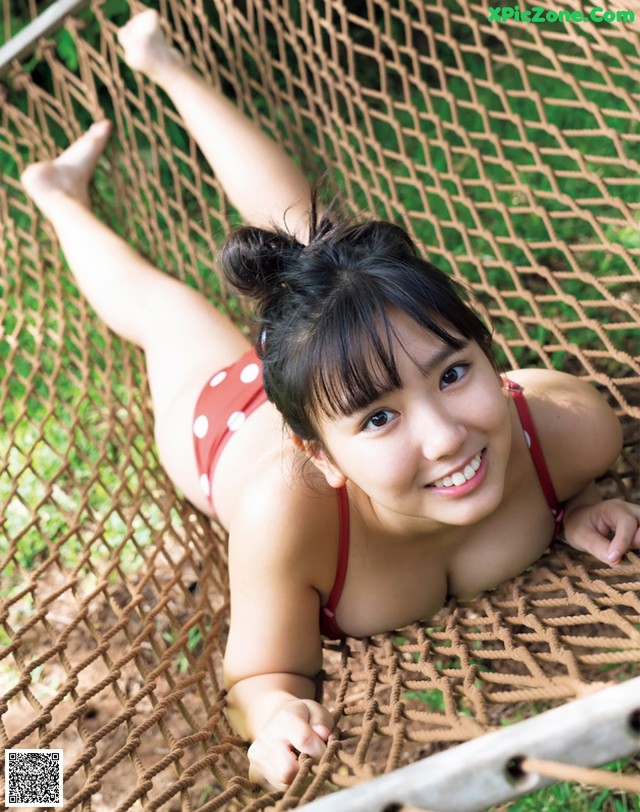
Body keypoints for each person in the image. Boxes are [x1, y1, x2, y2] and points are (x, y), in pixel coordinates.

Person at [20, 8, 640, 792]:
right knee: (165, 311)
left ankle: (164, 62)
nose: (447, 438)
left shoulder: (566, 435)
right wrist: (275, 710)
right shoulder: (289, 517)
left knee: (319, 245)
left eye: (454, 374)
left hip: (349, 355)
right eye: (381, 418)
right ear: (318, 452)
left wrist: (577, 500)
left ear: (488, 356)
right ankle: (54, 194)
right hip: (230, 430)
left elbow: (539, 420)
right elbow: (261, 671)